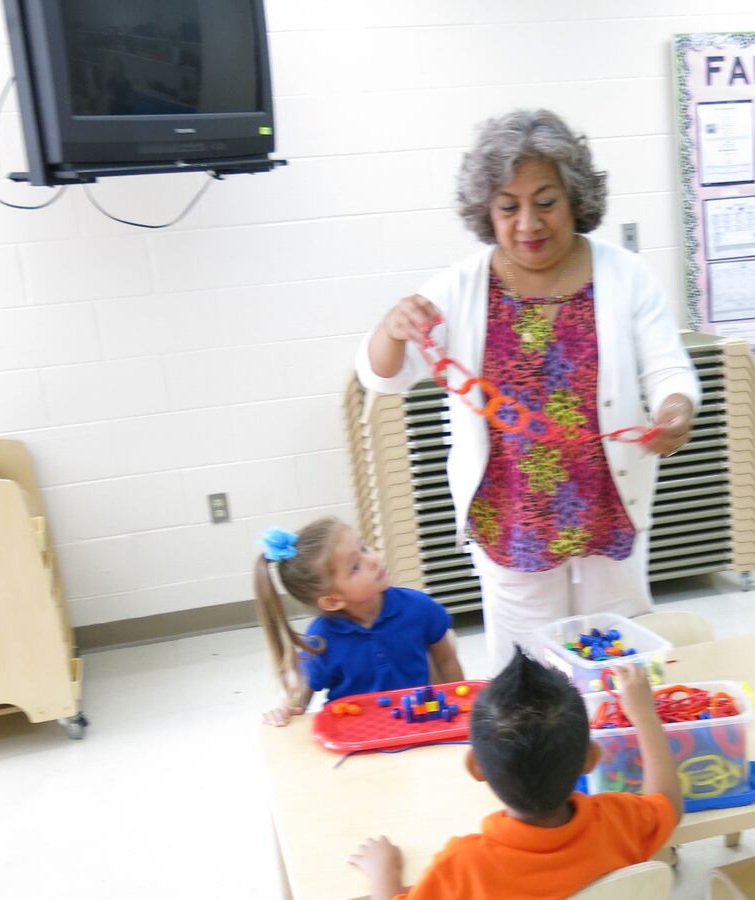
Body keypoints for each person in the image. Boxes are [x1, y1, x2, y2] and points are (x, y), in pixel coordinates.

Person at [357, 109, 702, 671]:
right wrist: (391, 329)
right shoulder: (462, 287)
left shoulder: (626, 275)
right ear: (486, 212)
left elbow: (669, 370)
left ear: (575, 199)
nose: (528, 224)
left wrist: (675, 409)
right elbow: (383, 375)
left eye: (546, 202)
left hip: (606, 506)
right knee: (529, 674)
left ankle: (620, 751)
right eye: (508, 206)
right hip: (511, 515)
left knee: (620, 660)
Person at [349, 650, 681, 899]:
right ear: (591, 759)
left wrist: (383, 874)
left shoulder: (462, 866)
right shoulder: (619, 819)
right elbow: (668, 803)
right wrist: (645, 716)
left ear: (474, 767)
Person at [253, 517, 464, 725]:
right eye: (355, 566)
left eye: (364, 548)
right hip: (355, 736)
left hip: (415, 724)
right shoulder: (320, 639)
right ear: (333, 601)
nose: (372, 560)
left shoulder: (418, 607)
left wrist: (460, 706)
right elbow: (299, 698)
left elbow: (446, 659)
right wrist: (285, 710)